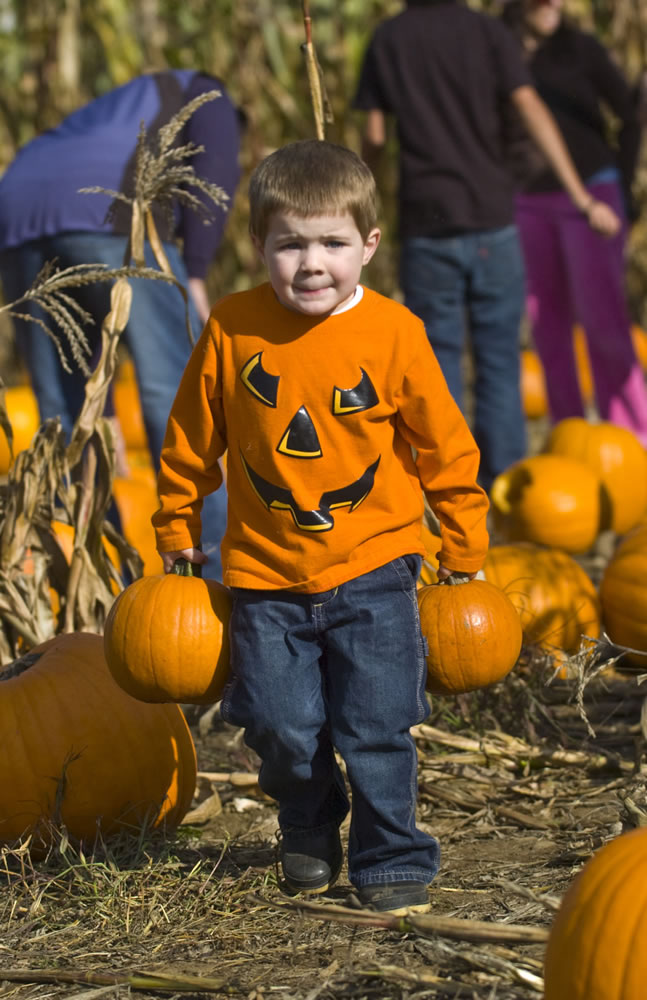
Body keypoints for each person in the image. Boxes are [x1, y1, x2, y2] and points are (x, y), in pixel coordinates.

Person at [152, 139, 490, 914]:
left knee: (375, 724)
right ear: (258, 245)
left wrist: (464, 547)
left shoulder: (394, 333)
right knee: (276, 724)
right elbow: (190, 439)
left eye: (332, 243)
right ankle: (306, 823)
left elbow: (444, 446)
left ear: (367, 245)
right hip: (263, 573)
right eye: (290, 243)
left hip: (376, 564)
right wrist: (176, 528)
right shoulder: (234, 328)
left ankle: (392, 852)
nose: (311, 263)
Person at [352, 0, 620, 491]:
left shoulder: (388, 39)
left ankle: (452, 488)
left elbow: (373, 135)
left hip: (426, 225)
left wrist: (352, 210)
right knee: (500, 360)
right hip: (492, 220)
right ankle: (508, 487)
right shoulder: (487, 33)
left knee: (439, 365)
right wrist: (580, 196)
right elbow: (530, 108)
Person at [0, 70, 243, 575]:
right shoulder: (209, 95)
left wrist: (104, 407)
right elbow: (218, 167)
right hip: (109, 212)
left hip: (17, 213)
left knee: (63, 411)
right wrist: (194, 274)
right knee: (177, 397)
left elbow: (89, 348)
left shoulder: (116, 104)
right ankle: (217, 579)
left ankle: (94, 579)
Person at [501, 0, 647, 444]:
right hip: (527, 200)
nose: (553, 4)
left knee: (603, 321)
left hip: (593, 196)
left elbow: (631, 113)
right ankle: (570, 438)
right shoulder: (498, 49)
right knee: (547, 326)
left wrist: (621, 180)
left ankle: (634, 438)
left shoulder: (581, 48)